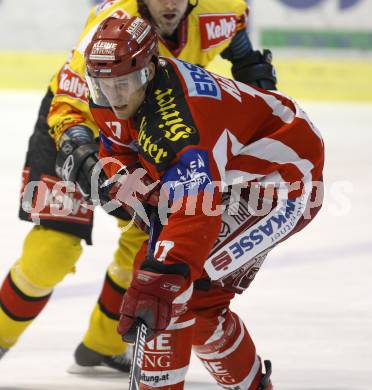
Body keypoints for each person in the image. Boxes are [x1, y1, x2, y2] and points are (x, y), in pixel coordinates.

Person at [0, 0, 277, 374]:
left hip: (141, 132)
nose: (169, 4)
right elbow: (68, 101)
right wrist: (78, 147)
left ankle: (104, 343)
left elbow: (241, 51)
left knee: (151, 241)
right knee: (53, 250)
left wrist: (252, 75)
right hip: (74, 125)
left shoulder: (221, 9)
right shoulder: (112, 25)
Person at [83, 16, 324, 389]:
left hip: (283, 179)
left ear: (148, 72)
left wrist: (164, 274)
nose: (113, 98)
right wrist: (129, 188)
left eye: (123, 85)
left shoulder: (178, 125)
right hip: (225, 171)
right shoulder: (117, 91)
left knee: (173, 289)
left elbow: (197, 206)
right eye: (103, 86)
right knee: (195, 301)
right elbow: (119, 147)